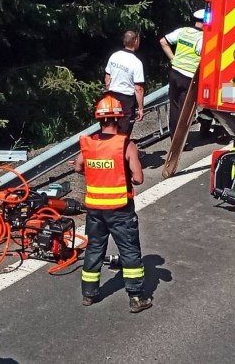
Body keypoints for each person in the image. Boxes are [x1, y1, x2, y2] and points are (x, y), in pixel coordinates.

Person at [75, 95, 152, 313]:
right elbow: (138, 178)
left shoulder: (89, 143)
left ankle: (88, 294)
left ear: (99, 119)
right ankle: (136, 297)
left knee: (94, 248)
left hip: (95, 209)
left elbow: (79, 167)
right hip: (120, 209)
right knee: (129, 250)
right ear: (119, 118)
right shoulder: (126, 144)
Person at [160, 9, 213, 139]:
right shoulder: (202, 39)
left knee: (174, 106)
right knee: (184, 111)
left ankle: (174, 138)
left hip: (174, 73)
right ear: (205, 23)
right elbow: (206, 58)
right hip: (188, 78)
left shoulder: (182, 31)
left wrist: (173, 58)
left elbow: (163, 41)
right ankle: (180, 141)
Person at [104, 30, 145, 137]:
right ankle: (122, 152)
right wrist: (140, 108)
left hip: (111, 97)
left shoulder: (114, 56)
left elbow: (107, 79)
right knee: (124, 132)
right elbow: (138, 88)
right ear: (136, 41)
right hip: (126, 99)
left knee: (111, 128)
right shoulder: (136, 63)